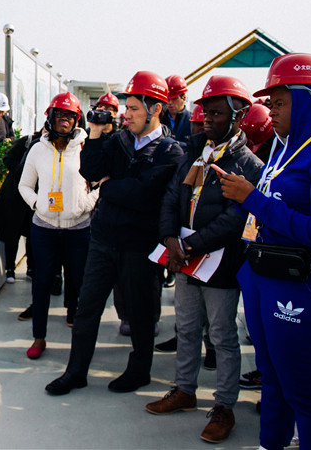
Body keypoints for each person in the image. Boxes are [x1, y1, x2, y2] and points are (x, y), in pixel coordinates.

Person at [218, 53, 311, 450]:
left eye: (280, 102)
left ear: (308, 100)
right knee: (275, 383)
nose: (271, 111)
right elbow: (274, 208)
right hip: (269, 276)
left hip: (309, 284)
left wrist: (255, 200)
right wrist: (241, 198)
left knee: (309, 396)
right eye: (270, 103)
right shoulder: (285, 149)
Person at [45, 71, 183, 396]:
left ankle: (139, 371)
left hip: (139, 246)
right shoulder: (117, 141)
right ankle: (76, 371)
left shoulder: (170, 152)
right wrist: (94, 132)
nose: (127, 114)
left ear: (156, 109)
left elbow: (145, 194)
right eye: (127, 107)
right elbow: (90, 172)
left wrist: (109, 187)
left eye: (134, 107)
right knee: (87, 308)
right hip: (103, 240)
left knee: (140, 312)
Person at [144, 75, 263, 444]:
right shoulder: (194, 153)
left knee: (223, 336)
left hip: (219, 266)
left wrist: (191, 245)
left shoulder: (248, 165)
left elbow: (237, 219)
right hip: (184, 259)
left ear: (239, 115)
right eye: (203, 112)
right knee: (187, 329)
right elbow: (169, 198)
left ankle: (224, 406)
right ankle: (184, 390)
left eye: (215, 113)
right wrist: (168, 238)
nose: (206, 119)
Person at [18, 93, 99, 359]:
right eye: (59, 115)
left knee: (79, 281)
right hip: (44, 229)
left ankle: (76, 327)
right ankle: (38, 337)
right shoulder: (38, 149)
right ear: (50, 118)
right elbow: (25, 185)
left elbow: (101, 183)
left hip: (78, 229)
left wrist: (86, 204)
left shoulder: (87, 148)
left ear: (77, 120)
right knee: (41, 284)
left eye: (70, 116)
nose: (64, 120)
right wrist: (37, 205)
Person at [0, 129, 42, 283]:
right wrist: (24, 172)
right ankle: (10, 269)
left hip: (35, 197)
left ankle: (31, 268)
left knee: (32, 233)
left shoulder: (53, 147)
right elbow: (8, 158)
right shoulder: (28, 141)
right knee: (12, 233)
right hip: (15, 195)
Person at [161, 74, 193, 148]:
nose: (170, 103)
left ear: (184, 97)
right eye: (167, 99)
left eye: (174, 99)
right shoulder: (158, 121)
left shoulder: (193, 122)